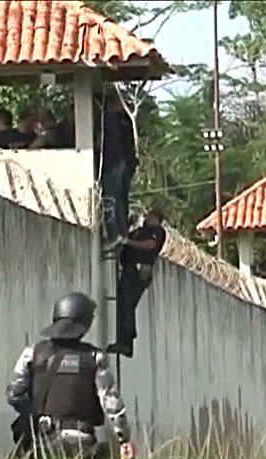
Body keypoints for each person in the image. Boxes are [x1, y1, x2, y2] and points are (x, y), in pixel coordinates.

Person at [5, 292, 134, 459]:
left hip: (43, 441)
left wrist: (34, 414)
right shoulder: (94, 357)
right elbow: (112, 405)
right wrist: (124, 439)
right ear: (84, 323)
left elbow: (14, 394)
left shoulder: (32, 353)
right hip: (82, 444)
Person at [108, 209, 167, 358]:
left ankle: (126, 341)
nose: (145, 217)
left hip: (139, 269)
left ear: (155, 217)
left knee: (127, 302)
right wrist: (127, 225)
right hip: (129, 268)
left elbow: (150, 245)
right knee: (123, 302)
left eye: (148, 215)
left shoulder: (157, 231)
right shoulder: (140, 230)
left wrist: (128, 241)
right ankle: (124, 339)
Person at [95, 89, 139, 250]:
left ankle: (115, 234)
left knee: (111, 199)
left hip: (113, 163)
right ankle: (122, 233)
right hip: (125, 163)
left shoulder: (111, 119)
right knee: (120, 199)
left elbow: (102, 142)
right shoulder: (125, 120)